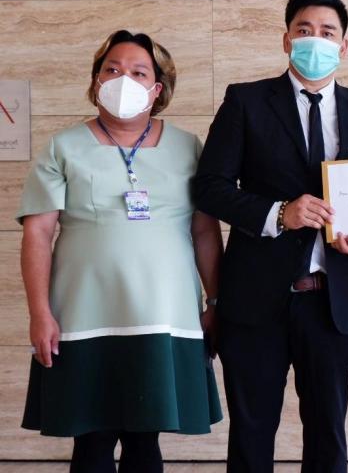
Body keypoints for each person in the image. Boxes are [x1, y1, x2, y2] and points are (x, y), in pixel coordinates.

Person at [192, 0, 348, 473]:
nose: (315, 40)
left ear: (344, 45)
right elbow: (209, 189)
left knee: (328, 437)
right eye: (305, 29)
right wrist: (278, 214)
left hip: (330, 301)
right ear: (286, 39)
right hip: (254, 299)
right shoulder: (245, 101)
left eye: (328, 32)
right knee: (251, 436)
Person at [18, 30, 223, 473]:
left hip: (163, 315)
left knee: (144, 441)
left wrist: (215, 301)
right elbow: (37, 234)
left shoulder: (188, 147)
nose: (122, 79)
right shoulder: (62, 147)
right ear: (96, 81)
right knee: (91, 442)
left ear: (158, 88)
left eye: (138, 72)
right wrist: (40, 313)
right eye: (111, 69)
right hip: (83, 315)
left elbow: (205, 232)